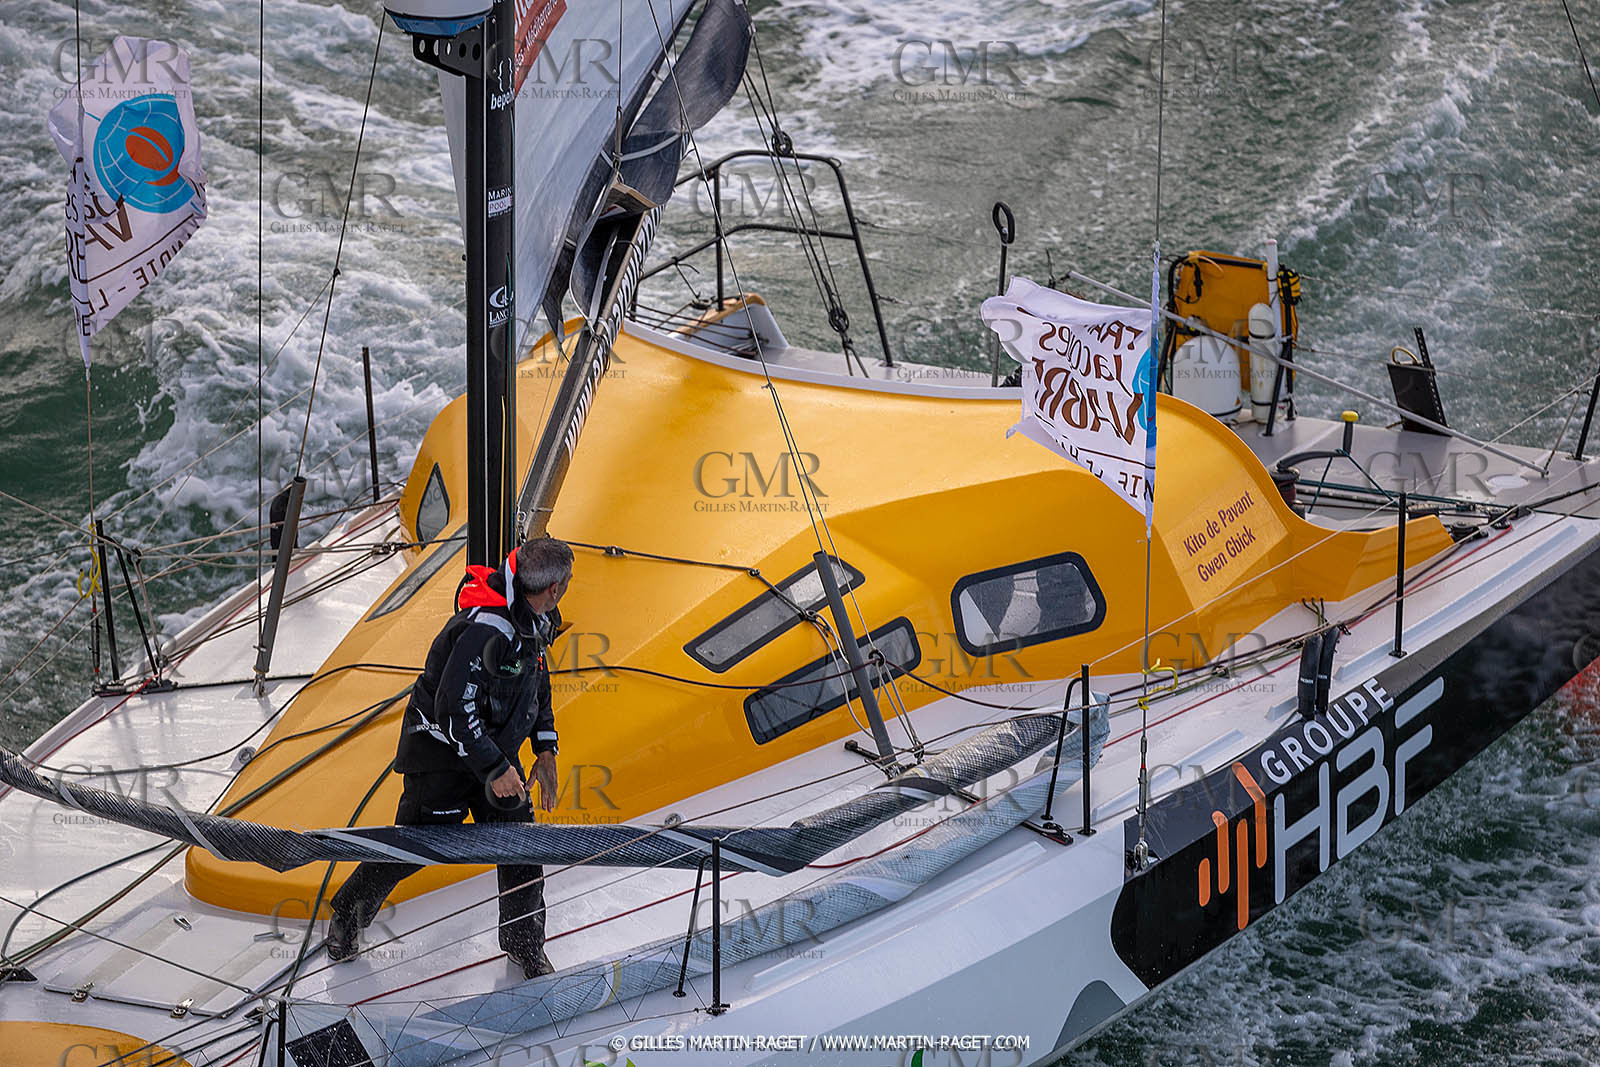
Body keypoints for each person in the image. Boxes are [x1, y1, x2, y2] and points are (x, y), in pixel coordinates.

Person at [326, 537, 574, 978]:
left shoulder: (533, 618)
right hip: (440, 757)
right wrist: (496, 769)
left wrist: (545, 747)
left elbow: (536, 683)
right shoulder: (487, 629)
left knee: (521, 845)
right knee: (413, 848)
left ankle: (523, 945)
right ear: (553, 588)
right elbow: (452, 707)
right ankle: (347, 914)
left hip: (489, 752)